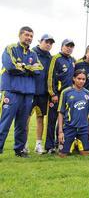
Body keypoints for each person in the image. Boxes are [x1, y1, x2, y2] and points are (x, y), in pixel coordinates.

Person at [0, 26, 43, 157]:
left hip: (28, 93)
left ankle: (19, 150)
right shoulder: (10, 48)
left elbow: (39, 69)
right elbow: (11, 66)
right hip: (11, 91)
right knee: (5, 122)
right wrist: (29, 68)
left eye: (31, 36)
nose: (29, 38)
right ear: (20, 35)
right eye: (26, 35)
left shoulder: (33, 54)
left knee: (22, 124)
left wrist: (24, 66)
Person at [26, 34, 55, 154]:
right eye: (46, 42)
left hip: (43, 93)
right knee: (26, 118)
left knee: (40, 118)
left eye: (50, 43)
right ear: (40, 41)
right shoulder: (31, 53)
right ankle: (24, 144)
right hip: (30, 92)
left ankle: (38, 144)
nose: (48, 44)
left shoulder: (50, 57)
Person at [46, 38, 75, 153]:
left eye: (71, 46)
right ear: (62, 46)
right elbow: (50, 76)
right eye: (67, 46)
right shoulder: (56, 58)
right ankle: (49, 146)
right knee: (52, 120)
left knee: (64, 121)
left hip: (68, 96)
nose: (69, 48)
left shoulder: (73, 60)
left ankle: (60, 143)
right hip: (56, 95)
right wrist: (52, 93)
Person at [58, 70, 89, 157]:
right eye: (79, 79)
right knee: (63, 155)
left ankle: (77, 143)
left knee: (85, 154)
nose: (81, 81)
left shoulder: (88, 94)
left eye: (83, 79)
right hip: (69, 127)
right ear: (74, 79)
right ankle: (71, 142)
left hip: (83, 128)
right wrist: (60, 132)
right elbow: (61, 112)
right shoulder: (66, 92)